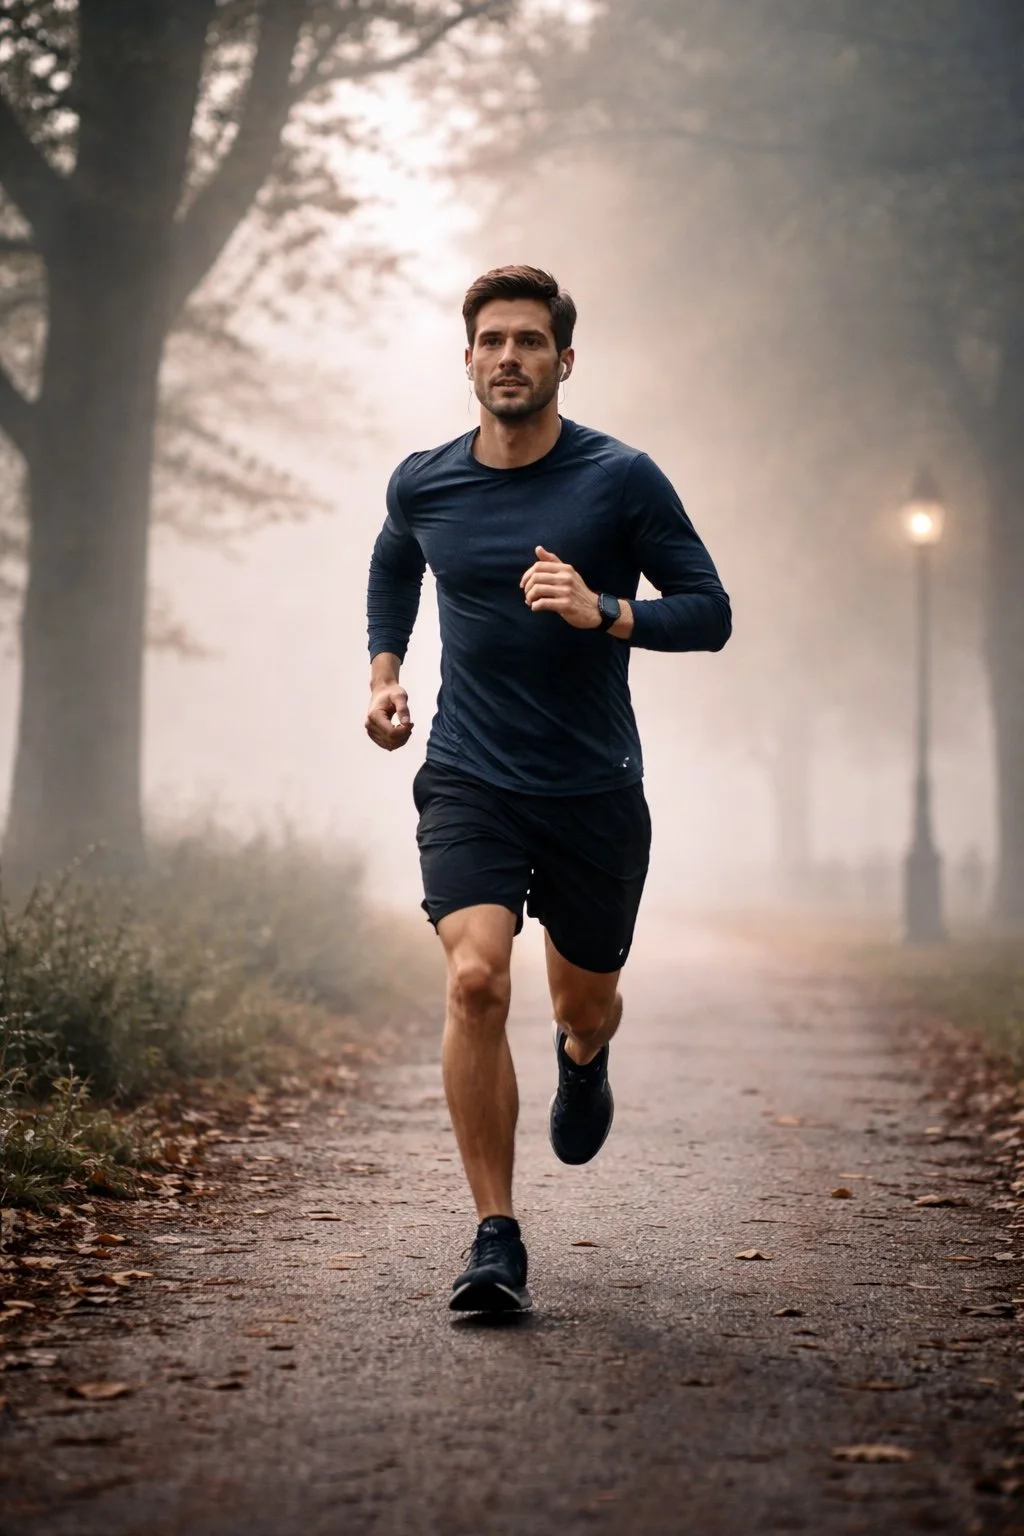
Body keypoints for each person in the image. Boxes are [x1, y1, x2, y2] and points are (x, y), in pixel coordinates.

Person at [365, 266, 731, 1313]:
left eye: (530, 341)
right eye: (492, 340)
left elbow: (708, 611)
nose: (509, 357)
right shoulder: (425, 480)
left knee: (585, 1000)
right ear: (468, 357)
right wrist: (385, 675)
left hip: (591, 789)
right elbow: (397, 560)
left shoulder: (620, 480)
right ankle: (495, 1237)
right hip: (471, 775)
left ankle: (583, 1055)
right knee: (475, 980)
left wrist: (603, 609)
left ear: (563, 361)